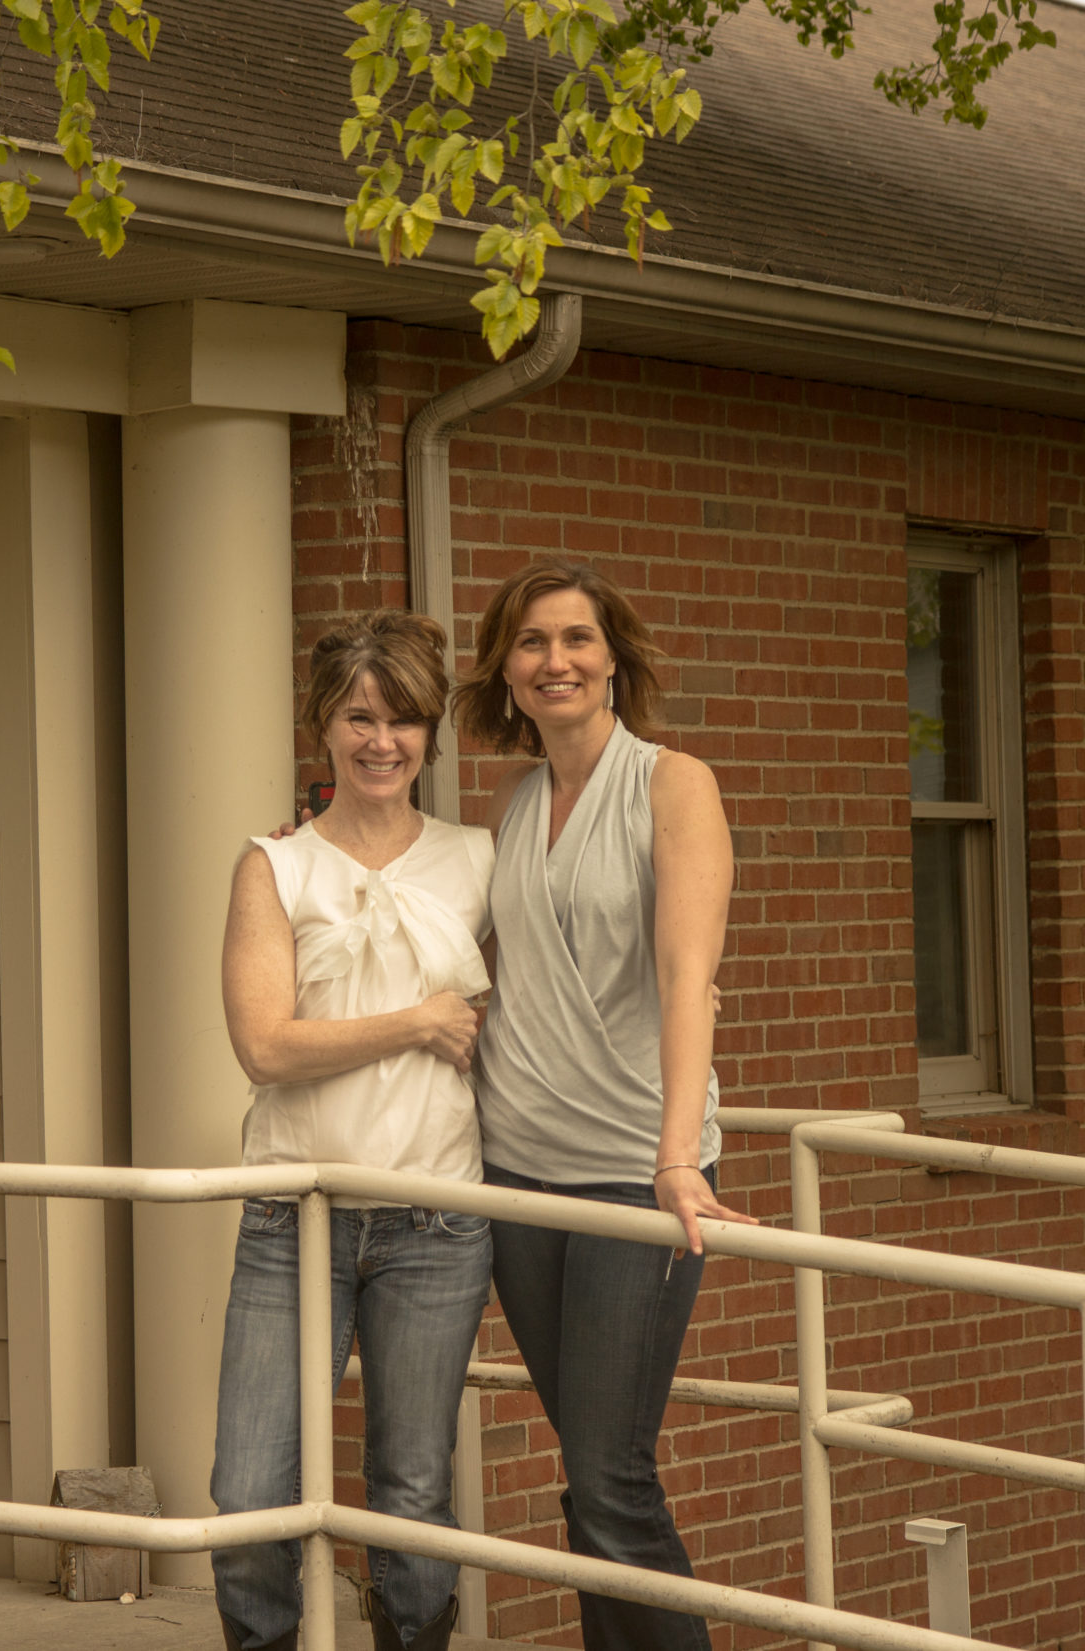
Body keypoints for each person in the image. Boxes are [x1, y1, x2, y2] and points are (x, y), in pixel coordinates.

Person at [457, 560, 755, 1651]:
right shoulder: (515, 802)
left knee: (611, 1474)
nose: (555, 662)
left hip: (636, 1171)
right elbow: (496, 975)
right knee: (587, 1482)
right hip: (517, 1174)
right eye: (531, 644)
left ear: (615, 657)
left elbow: (690, 978)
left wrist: (678, 1157)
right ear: (507, 670)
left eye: (576, 639)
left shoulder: (672, 784)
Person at [212, 609, 495, 1651]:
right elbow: (267, 1049)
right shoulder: (274, 869)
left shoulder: (478, 860)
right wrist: (417, 1021)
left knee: (410, 1502)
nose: (383, 741)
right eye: (359, 717)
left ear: (430, 734)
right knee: (248, 1502)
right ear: (322, 726)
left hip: (437, 1223)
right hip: (297, 1218)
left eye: (404, 720)